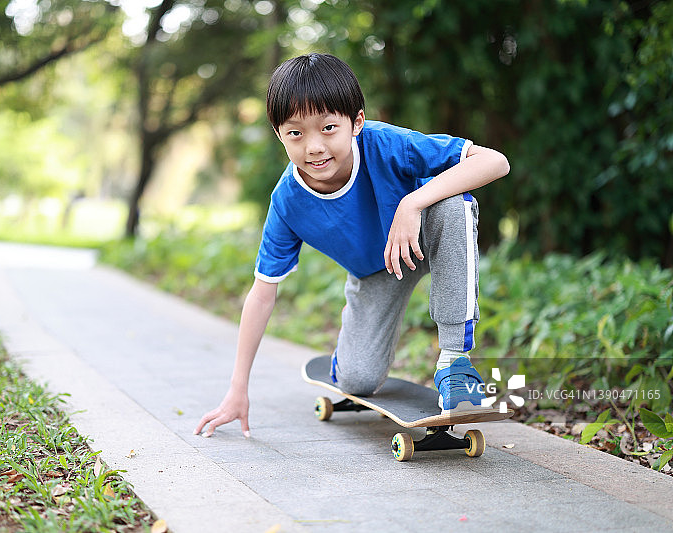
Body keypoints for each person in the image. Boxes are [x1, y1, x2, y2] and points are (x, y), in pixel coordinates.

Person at [194, 53, 510, 438]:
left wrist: (413, 202)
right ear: (279, 134)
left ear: (356, 122)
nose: (314, 147)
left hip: (422, 236)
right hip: (375, 272)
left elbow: (494, 162)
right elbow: (262, 293)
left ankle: (455, 361)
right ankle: (348, 354)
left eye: (328, 127)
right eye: (295, 133)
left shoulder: (386, 144)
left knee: (453, 204)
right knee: (357, 380)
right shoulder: (288, 202)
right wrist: (237, 389)